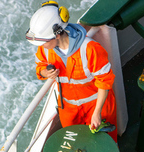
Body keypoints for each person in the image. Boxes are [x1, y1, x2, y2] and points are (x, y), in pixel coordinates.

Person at [25, 1, 117, 142]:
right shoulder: (45, 49)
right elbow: (40, 66)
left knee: (104, 144)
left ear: (56, 35)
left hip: (97, 106)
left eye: (43, 41)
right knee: (75, 144)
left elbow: (104, 82)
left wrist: (97, 113)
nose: (41, 45)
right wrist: (44, 72)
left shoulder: (90, 49)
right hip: (69, 110)